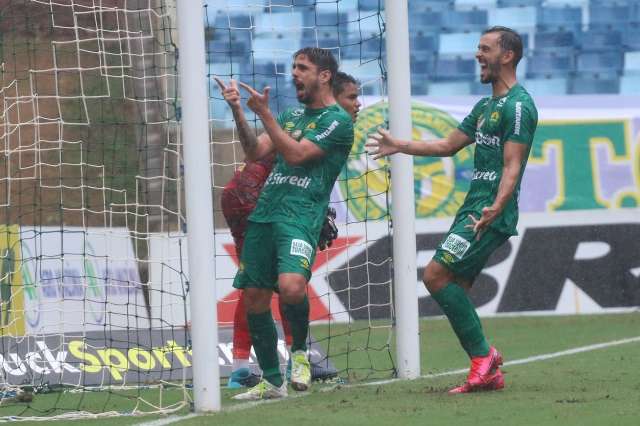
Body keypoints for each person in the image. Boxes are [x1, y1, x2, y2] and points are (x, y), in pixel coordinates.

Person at [366, 26, 537, 394]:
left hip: (489, 213)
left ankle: (483, 358)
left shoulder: (519, 106)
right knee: (452, 283)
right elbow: (447, 145)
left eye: (485, 48)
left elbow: (512, 166)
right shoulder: (486, 106)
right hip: (473, 207)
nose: (477, 55)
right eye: (477, 48)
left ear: (507, 56)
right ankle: (486, 363)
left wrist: (496, 207)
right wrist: (400, 145)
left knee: (435, 275)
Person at [215, 47, 354, 400]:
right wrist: (239, 113)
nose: (294, 73)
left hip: (301, 215)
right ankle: (273, 380)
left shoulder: (337, 120)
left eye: (302, 68)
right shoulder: (291, 114)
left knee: (292, 286)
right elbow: (253, 152)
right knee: (255, 295)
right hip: (265, 213)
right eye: (293, 67)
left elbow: (296, 154)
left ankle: (300, 356)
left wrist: (265, 114)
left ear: (324, 76)